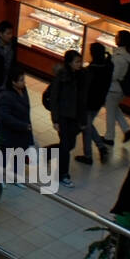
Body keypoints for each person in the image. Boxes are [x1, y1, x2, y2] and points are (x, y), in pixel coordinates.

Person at [47, 49, 87, 188]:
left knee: (70, 145)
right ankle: (63, 174)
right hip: (63, 116)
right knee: (65, 145)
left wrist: (83, 120)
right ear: (69, 63)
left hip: (75, 117)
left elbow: (82, 100)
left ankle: (45, 153)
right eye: (77, 62)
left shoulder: (81, 76)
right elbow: (54, 98)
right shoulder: (62, 77)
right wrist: (55, 119)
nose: (80, 64)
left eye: (80, 61)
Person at [0, 66, 34, 185]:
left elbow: (26, 110)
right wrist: (23, 126)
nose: (24, 82)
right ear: (13, 82)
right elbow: (5, 117)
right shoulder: (6, 96)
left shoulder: (23, 90)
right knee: (4, 156)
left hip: (22, 131)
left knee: (20, 155)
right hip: (8, 132)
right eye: (21, 80)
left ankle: (16, 178)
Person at [76, 42, 113, 165]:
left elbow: (85, 87)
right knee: (88, 125)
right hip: (99, 101)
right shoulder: (108, 65)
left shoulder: (91, 70)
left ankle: (91, 153)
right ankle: (99, 149)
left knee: (86, 126)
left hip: (88, 102)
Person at [104, 29, 130, 147]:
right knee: (115, 108)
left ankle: (109, 137)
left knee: (110, 112)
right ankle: (126, 130)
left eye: (117, 36)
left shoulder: (120, 57)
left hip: (114, 88)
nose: (115, 38)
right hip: (122, 89)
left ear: (121, 40)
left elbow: (114, 75)